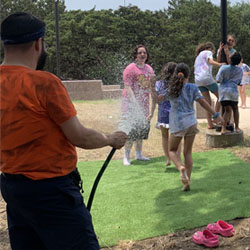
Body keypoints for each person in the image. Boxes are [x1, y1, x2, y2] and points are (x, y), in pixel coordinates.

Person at [0, 12, 127, 250]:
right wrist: (110, 139)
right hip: (52, 192)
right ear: (39, 43)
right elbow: (80, 136)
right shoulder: (44, 83)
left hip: (13, 188)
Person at [151, 63, 223, 191]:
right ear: (188, 75)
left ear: (175, 75)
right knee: (188, 152)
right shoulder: (193, 87)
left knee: (172, 150)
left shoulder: (171, 89)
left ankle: (180, 168)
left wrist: (151, 87)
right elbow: (203, 102)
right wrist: (216, 115)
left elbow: (158, 100)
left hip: (178, 124)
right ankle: (187, 182)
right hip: (191, 123)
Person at [119, 44, 155, 166]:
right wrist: (135, 104)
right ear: (135, 55)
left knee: (141, 129)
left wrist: (151, 106)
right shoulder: (130, 69)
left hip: (144, 104)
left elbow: (150, 87)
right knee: (131, 131)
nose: (142, 54)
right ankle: (126, 156)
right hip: (131, 105)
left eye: (144, 52)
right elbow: (128, 88)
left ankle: (139, 153)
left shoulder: (149, 69)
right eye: (140, 52)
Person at [150, 62, 181, 167]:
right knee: (177, 136)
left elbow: (155, 99)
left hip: (163, 113)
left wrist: (152, 87)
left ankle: (168, 159)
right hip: (174, 113)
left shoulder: (159, 84)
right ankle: (177, 158)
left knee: (164, 136)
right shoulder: (177, 84)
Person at [194, 42, 223, 129]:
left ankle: (210, 124)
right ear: (211, 48)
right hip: (206, 78)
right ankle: (215, 116)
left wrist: (219, 51)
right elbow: (210, 61)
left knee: (207, 103)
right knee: (221, 96)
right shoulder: (208, 52)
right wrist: (220, 64)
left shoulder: (198, 56)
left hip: (198, 80)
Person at [216, 52, 243, 134]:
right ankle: (237, 127)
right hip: (233, 92)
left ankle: (223, 129)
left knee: (227, 111)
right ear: (238, 62)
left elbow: (218, 79)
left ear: (230, 59)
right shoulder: (239, 70)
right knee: (235, 109)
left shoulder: (223, 68)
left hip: (224, 91)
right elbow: (239, 82)